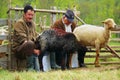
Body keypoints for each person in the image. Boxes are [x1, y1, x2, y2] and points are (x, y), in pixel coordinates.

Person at [12, 5, 40, 71]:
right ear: (24, 14)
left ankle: (42, 68)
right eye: (29, 15)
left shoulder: (32, 24)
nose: (31, 17)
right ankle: (30, 67)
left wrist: (39, 47)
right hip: (19, 49)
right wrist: (34, 50)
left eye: (32, 15)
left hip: (30, 46)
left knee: (44, 43)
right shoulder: (19, 23)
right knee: (29, 44)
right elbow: (23, 40)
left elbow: (35, 37)